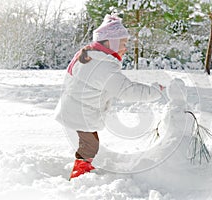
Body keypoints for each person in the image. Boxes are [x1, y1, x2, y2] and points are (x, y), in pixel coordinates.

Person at [54, 14, 163, 180]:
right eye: (123, 43)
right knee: (90, 146)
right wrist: (155, 90)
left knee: (89, 144)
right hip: (80, 111)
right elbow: (127, 91)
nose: (125, 48)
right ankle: (79, 176)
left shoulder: (91, 56)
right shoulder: (102, 66)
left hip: (76, 108)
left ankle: (82, 171)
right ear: (110, 43)